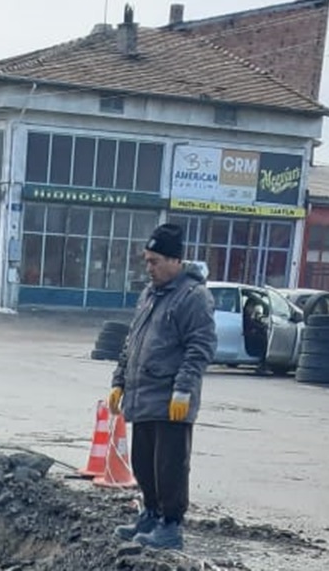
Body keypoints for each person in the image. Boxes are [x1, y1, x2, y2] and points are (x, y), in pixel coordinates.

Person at [108, 223, 217, 550]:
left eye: (154, 261)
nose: (149, 267)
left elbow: (200, 347)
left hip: (171, 400)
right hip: (143, 398)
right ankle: (152, 513)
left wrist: (183, 389)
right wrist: (119, 381)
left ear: (174, 260)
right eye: (147, 260)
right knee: (144, 463)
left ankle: (171, 525)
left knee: (169, 466)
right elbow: (132, 341)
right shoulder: (149, 295)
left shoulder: (193, 297)